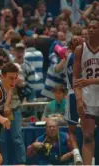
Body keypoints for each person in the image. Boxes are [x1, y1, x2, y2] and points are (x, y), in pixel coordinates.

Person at [73, 19, 99, 165]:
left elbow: (84, 80)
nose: (91, 30)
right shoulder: (80, 49)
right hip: (88, 98)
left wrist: (90, 81)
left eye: (94, 28)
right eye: (89, 27)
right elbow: (75, 77)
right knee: (87, 136)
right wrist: (78, 99)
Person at [55, 35, 84, 164]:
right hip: (87, 93)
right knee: (89, 129)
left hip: (73, 94)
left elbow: (57, 69)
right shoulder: (84, 56)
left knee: (71, 130)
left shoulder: (67, 57)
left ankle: (77, 154)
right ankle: (90, 155)